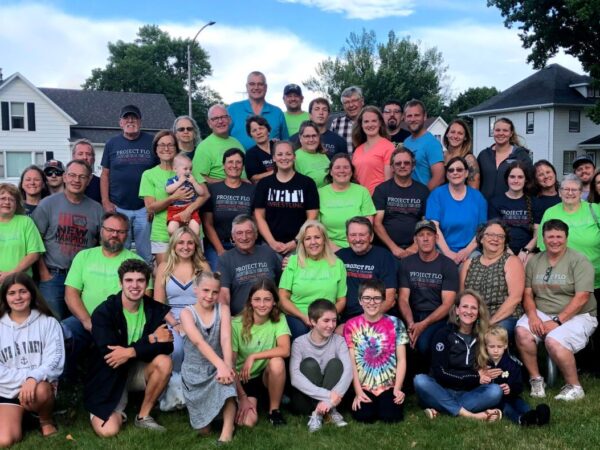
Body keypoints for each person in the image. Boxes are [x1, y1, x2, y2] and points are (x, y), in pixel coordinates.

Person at [85, 259, 173, 436]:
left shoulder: (154, 309)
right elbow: (109, 354)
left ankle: (143, 416)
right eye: (129, 280)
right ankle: (115, 408)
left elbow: (166, 346)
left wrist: (130, 351)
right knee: (108, 431)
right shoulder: (104, 312)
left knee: (164, 362)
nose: (135, 285)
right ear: (120, 283)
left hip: (138, 370)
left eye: (140, 280)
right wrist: (151, 339)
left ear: (146, 283)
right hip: (110, 374)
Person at [516, 219, 597, 401]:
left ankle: (575, 387)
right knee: (522, 332)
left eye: (559, 236)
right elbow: (527, 293)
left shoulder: (579, 260)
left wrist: (558, 321)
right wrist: (532, 316)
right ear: (543, 239)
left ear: (566, 238)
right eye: (550, 236)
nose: (555, 241)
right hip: (543, 310)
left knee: (554, 340)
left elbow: (582, 297)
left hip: (579, 314)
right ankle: (536, 380)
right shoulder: (535, 260)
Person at [62, 212, 148, 383]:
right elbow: (71, 294)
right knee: (62, 332)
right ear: (101, 231)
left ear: (127, 235)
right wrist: (87, 321)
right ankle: (67, 381)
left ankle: (117, 384)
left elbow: (145, 298)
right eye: (110, 229)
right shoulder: (84, 257)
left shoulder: (137, 262)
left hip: (121, 324)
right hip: (85, 320)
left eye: (120, 231)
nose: (114, 234)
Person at [413, 290, 503, 421]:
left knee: (495, 391)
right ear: (457, 310)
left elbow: (486, 370)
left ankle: (442, 407)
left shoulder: (483, 337)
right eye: (465, 306)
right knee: (420, 380)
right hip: (442, 388)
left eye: (473, 308)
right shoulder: (443, 334)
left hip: (469, 393)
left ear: (478, 313)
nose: (469, 311)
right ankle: (470, 415)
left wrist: (486, 374)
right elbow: (440, 372)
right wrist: (476, 377)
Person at [33, 160, 104, 319]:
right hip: (53, 276)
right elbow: (34, 243)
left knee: (80, 323)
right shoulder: (47, 204)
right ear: (64, 177)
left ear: (89, 180)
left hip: (84, 278)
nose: (76, 180)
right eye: (72, 175)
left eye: (82, 176)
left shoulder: (97, 209)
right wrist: (44, 274)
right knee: (52, 323)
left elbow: (101, 245)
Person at [0, 273, 65, 446]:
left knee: (42, 390)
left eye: (23, 291)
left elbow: (55, 361)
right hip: (6, 392)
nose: (18, 297)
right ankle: (24, 419)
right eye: (12, 293)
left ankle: (45, 420)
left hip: (38, 390)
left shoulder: (49, 323)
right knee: (4, 440)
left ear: (32, 293)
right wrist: (26, 380)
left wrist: (33, 378)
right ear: (5, 298)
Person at [180, 272, 237, 443]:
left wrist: (226, 366)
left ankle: (228, 429)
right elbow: (198, 342)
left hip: (217, 368)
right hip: (194, 371)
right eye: (206, 290)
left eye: (215, 292)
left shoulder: (223, 310)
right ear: (195, 289)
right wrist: (221, 365)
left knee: (227, 384)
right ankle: (212, 416)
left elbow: (226, 338)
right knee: (203, 430)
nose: (210, 296)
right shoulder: (186, 313)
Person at [101, 104, 157, 265]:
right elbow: (105, 174)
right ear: (120, 122)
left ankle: (147, 288)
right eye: (126, 118)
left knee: (145, 254)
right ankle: (117, 287)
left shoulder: (152, 141)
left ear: (140, 121)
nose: (130, 121)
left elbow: (160, 172)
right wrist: (106, 201)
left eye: (134, 118)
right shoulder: (112, 143)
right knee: (119, 252)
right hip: (119, 207)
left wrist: (153, 204)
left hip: (144, 208)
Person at [344, 279, 407, 423]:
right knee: (364, 416)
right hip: (364, 385)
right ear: (360, 300)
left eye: (377, 298)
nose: (371, 302)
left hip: (388, 385)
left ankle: (388, 400)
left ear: (383, 300)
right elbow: (352, 362)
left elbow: (402, 359)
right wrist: (358, 392)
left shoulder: (395, 323)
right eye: (367, 298)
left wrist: (397, 388)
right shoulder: (351, 325)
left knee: (390, 417)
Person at [140, 131, 208, 265]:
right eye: (161, 145)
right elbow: (150, 207)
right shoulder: (149, 175)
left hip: (192, 231)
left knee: (195, 276)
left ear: (176, 148)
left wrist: (188, 211)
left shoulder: (187, 168)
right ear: (155, 149)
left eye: (170, 145)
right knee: (165, 277)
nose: (166, 148)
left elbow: (205, 194)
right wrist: (174, 197)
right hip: (163, 234)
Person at [232, 279, 290, 427]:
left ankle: (274, 411)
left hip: (263, 376)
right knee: (247, 423)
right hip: (242, 379)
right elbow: (230, 364)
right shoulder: (236, 324)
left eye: (267, 300)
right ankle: (246, 402)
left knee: (277, 362)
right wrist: (242, 397)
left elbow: (285, 349)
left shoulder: (279, 319)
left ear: (274, 302)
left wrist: (253, 356)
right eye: (257, 299)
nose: (262, 304)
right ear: (250, 302)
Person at [290, 299, 353, 432]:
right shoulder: (299, 343)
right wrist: (328, 396)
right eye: (326, 320)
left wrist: (330, 402)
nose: (331, 325)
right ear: (313, 321)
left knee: (336, 364)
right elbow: (295, 377)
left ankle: (320, 413)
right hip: (305, 399)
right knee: (309, 364)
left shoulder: (339, 341)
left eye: (334, 320)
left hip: (333, 398)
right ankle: (326, 410)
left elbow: (349, 371)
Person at [398, 220, 458, 357]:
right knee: (402, 343)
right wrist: (411, 324)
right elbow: (403, 298)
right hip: (412, 315)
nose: (425, 239)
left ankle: (427, 376)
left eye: (429, 234)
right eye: (421, 235)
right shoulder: (406, 263)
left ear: (436, 238)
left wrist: (423, 325)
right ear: (415, 239)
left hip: (438, 317)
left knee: (424, 344)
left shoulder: (448, 265)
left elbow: (448, 304)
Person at [279, 220, 347, 339]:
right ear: (302, 242)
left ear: (325, 240)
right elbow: (283, 297)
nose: (313, 242)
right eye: (308, 238)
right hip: (298, 316)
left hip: (327, 316)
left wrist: (324, 318)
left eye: (317, 237)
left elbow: (341, 300)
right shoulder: (293, 262)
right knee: (302, 332)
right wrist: (304, 317)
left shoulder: (337, 264)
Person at [460, 220, 525, 339]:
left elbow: (515, 298)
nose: (495, 239)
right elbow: (462, 296)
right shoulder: (469, 263)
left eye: (500, 236)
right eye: (490, 235)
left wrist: (490, 323)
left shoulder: (512, 261)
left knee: (493, 336)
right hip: (474, 315)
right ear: (481, 239)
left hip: (504, 317)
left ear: (505, 241)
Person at [253, 140, 319, 255]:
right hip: (269, 246)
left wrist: (295, 241)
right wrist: (272, 242)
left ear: (294, 156)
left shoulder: (307, 183)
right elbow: (259, 216)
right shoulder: (264, 184)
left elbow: (312, 216)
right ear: (273, 158)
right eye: (280, 154)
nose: (284, 158)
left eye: (288, 154)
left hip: (299, 245)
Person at [537, 174, 600, 294]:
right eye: (566, 189)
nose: (570, 193)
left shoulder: (595, 210)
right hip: (563, 281)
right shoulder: (550, 213)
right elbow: (543, 246)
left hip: (596, 279)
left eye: (574, 189)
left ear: (581, 193)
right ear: (560, 192)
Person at [482, 325, 551, 426]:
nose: (495, 350)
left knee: (520, 404)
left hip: (512, 396)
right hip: (497, 401)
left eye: (499, 346)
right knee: (507, 408)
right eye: (492, 347)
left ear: (505, 345)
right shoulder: (483, 364)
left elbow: (519, 386)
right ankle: (520, 419)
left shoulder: (512, 365)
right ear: (486, 346)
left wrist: (510, 388)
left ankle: (535, 416)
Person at [426, 157, 487, 265]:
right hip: (442, 250)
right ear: (447, 174)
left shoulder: (478, 197)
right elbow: (433, 227)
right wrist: (448, 252)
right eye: (451, 170)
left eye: (459, 169)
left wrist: (466, 252)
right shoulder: (437, 195)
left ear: (466, 173)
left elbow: (482, 231)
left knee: (472, 267)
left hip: (471, 252)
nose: (455, 173)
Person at [336, 217, 397, 325]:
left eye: (362, 234)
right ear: (347, 237)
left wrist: (363, 321)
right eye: (353, 235)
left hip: (377, 317)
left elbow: (390, 298)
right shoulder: (340, 257)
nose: (357, 239)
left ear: (371, 236)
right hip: (346, 319)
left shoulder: (384, 256)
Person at [218, 215, 282, 316]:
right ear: (233, 237)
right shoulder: (225, 259)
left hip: (271, 316)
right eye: (239, 233)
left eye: (248, 232)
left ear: (256, 234)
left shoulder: (268, 252)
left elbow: (281, 284)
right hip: (241, 318)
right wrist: (226, 318)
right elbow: (224, 295)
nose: (244, 237)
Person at [202, 149, 255, 270]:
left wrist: (248, 247)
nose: (234, 166)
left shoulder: (252, 190)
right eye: (230, 162)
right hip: (218, 245)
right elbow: (207, 224)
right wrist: (220, 250)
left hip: (246, 245)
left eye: (238, 162)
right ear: (224, 166)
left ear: (243, 166)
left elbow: (255, 221)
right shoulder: (212, 189)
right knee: (218, 277)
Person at [373, 147, 429, 259]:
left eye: (406, 163)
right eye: (398, 163)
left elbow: (426, 224)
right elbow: (377, 224)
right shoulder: (382, 190)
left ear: (413, 166)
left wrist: (415, 246)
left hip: (416, 250)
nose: (402, 166)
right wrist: (394, 248)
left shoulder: (423, 191)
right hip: (386, 250)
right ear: (392, 167)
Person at [318, 154, 376, 249]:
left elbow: (368, 227)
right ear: (331, 172)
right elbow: (316, 228)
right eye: (337, 167)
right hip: (328, 247)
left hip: (358, 245)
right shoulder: (320, 193)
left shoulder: (362, 191)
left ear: (352, 171)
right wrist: (335, 249)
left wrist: (355, 247)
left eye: (346, 167)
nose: (342, 171)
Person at [488, 161, 538, 258]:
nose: (516, 180)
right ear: (507, 179)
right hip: (501, 249)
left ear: (526, 180)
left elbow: (537, 234)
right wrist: (507, 250)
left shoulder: (534, 202)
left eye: (520, 177)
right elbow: (494, 231)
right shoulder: (495, 202)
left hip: (528, 252)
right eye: (512, 177)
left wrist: (525, 251)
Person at [228, 71, 288, 150]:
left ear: (266, 87)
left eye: (260, 84)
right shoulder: (233, 109)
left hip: (270, 162)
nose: (256, 87)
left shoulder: (277, 112)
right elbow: (222, 137)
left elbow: (286, 142)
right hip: (239, 162)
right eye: (252, 84)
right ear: (247, 86)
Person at [477, 117, 532, 201]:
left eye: (505, 130)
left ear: (511, 133)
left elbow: (530, 183)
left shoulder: (521, 156)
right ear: (493, 132)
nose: (501, 133)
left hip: (511, 208)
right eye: (497, 130)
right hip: (485, 206)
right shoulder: (483, 155)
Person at [0, 184, 44, 284]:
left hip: (21, 283)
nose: (7, 202)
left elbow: (34, 254)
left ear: (16, 204)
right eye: (2, 198)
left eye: (11, 199)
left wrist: (11, 274)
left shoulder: (26, 222)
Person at [192, 104, 245, 183]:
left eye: (223, 117)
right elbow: (198, 178)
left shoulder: (237, 143)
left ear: (229, 120)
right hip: (221, 194)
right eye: (215, 118)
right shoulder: (204, 147)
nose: (220, 121)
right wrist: (229, 182)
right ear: (209, 123)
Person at [351, 106, 394, 195]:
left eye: (374, 121)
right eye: (366, 121)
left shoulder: (388, 147)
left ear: (380, 123)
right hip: (360, 200)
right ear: (361, 125)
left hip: (378, 201)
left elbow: (389, 182)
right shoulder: (357, 150)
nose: (370, 125)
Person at [402, 99, 444, 190]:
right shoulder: (406, 142)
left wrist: (422, 197)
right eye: (409, 116)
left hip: (424, 200)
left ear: (424, 116)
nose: (413, 119)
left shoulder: (432, 143)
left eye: (417, 115)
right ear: (404, 118)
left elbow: (439, 177)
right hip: (408, 198)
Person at [165, 153, 207, 236]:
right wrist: (180, 182)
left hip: (191, 209)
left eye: (190, 169)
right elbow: (168, 190)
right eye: (185, 169)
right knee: (171, 229)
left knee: (195, 230)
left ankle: (191, 242)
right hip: (175, 209)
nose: (188, 171)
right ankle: (179, 240)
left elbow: (202, 193)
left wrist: (194, 182)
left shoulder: (192, 180)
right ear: (175, 169)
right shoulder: (172, 180)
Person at [443, 119, 479, 189]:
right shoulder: (441, 156)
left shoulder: (469, 159)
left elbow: (474, 191)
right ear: (447, 134)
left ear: (465, 137)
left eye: (460, 133)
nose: (455, 136)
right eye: (452, 132)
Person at [294, 120, 331, 188]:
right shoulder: (295, 158)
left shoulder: (323, 154)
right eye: (307, 136)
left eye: (314, 135)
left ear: (318, 137)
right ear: (300, 138)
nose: (311, 140)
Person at [330, 86, 364, 155]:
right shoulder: (336, 123)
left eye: (354, 101)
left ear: (362, 101)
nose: (351, 105)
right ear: (343, 106)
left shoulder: (372, 121)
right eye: (347, 102)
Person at [244, 115, 276, 183]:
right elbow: (253, 178)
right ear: (251, 135)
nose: (258, 132)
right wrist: (277, 171)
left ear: (268, 130)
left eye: (261, 128)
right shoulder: (250, 154)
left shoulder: (279, 146)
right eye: (254, 130)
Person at [72, 139, 101, 203]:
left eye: (88, 154)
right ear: (73, 157)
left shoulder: (101, 184)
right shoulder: (65, 182)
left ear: (93, 159)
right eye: (80, 154)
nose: (84, 157)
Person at [531, 160, 561, 224]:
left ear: (554, 173)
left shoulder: (565, 196)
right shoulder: (533, 201)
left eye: (548, 172)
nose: (546, 176)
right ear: (536, 180)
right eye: (541, 175)